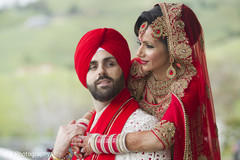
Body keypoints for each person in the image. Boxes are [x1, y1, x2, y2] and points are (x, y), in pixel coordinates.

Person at [72, 2, 221, 160]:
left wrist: (96, 143)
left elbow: (160, 139)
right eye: (140, 43)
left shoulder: (188, 84)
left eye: (149, 46)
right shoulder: (140, 69)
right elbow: (108, 97)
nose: (139, 52)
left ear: (172, 48)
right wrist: (82, 125)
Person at [48, 28, 170, 160]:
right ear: (84, 75)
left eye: (110, 64)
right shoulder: (81, 131)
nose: (101, 71)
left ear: (123, 69)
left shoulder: (143, 127)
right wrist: (57, 154)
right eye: (93, 67)